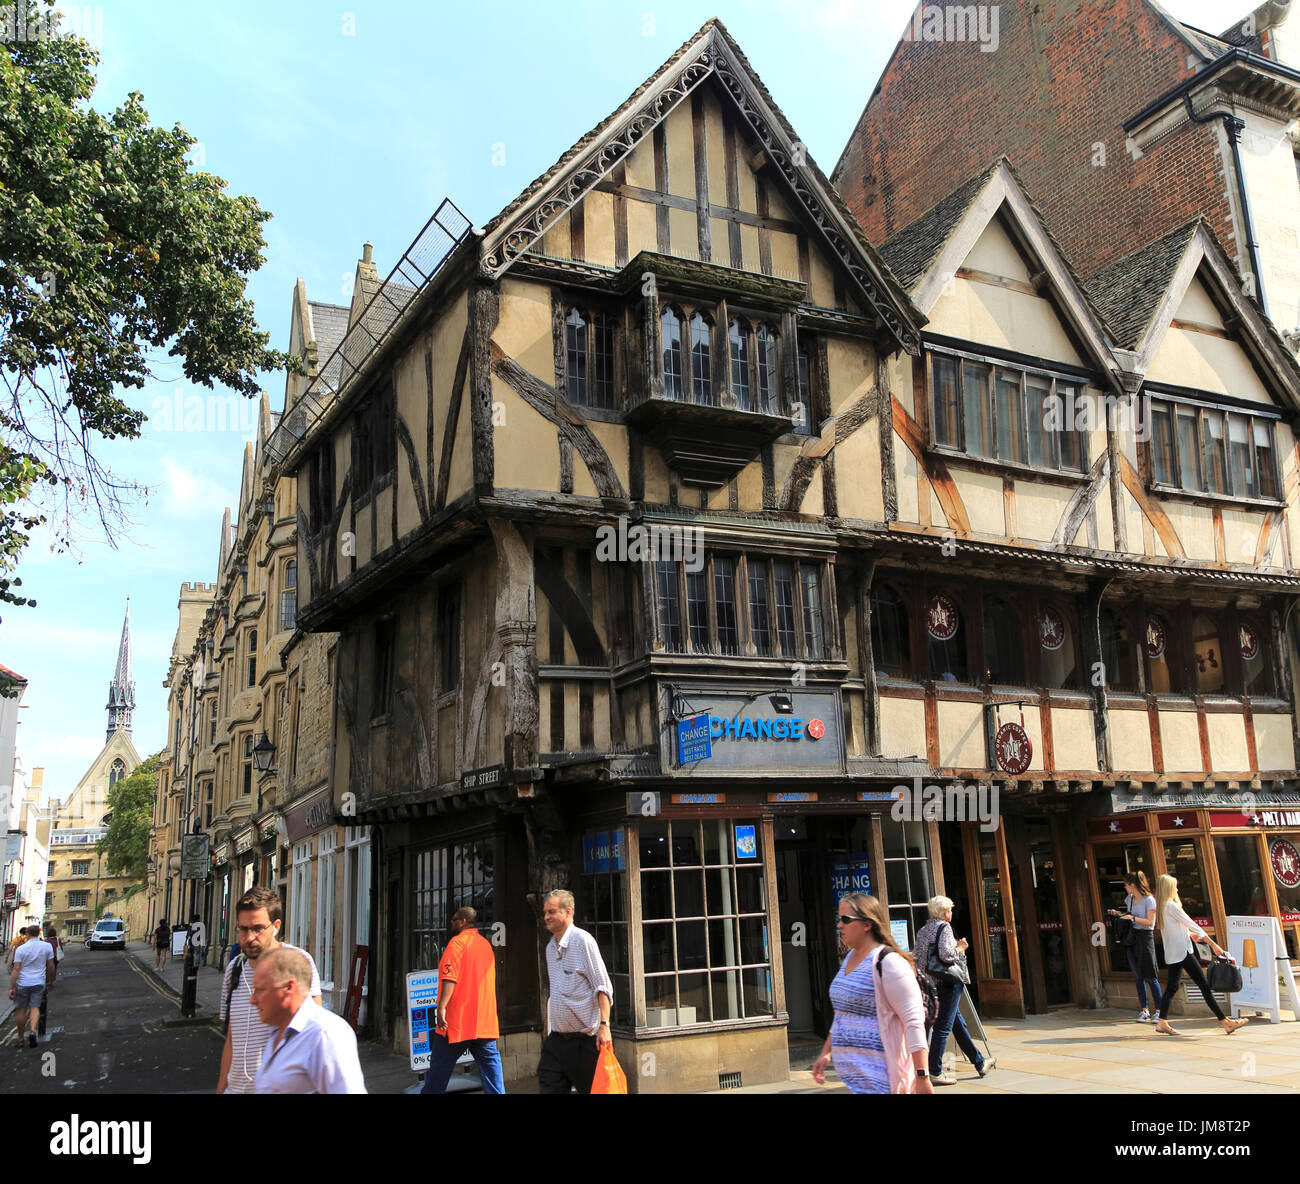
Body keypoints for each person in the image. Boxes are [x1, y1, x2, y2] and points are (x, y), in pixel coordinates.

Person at [812, 893, 933, 1094]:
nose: (839, 925)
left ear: (867, 924)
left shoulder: (889, 963)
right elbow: (843, 1014)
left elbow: (914, 1021)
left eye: (845, 919)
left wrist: (922, 1077)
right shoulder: (851, 956)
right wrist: (826, 1052)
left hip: (885, 1083)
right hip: (856, 1081)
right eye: (839, 919)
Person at [216, 887, 322, 1093]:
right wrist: (221, 1089)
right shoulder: (234, 969)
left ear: (276, 926)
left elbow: (314, 1033)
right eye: (243, 929)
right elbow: (231, 1037)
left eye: (257, 928)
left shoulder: (299, 963)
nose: (249, 937)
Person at [250, 947, 365, 1093]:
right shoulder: (276, 1032)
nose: (252, 1000)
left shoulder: (325, 1034)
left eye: (260, 990)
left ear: (288, 987)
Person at [421, 906, 503, 1094]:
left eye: (454, 919)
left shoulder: (457, 943)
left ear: (463, 921)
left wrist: (441, 1006)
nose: (451, 922)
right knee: (491, 1069)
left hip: (457, 1020)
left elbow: (451, 977)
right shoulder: (485, 945)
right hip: (483, 1021)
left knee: (438, 1072)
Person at [538, 889, 613, 1094]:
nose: (546, 917)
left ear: (568, 912)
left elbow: (602, 986)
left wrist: (605, 1027)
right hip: (557, 1040)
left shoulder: (583, 941)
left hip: (585, 1042)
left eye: (551, 912)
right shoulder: (550, 948)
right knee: (548, 1084)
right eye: (545, 912)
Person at [1153, 873, 1248, 1036]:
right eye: (1174, 886)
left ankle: (1162, 1022)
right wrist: (1213, 945)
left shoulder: (1162, 908)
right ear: (1169, 888)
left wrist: (1189, 935)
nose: (1177, 888)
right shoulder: (1172, 906)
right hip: (1183, 952)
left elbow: (1176, 929)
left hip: (1173, 953)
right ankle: (1226, 1022)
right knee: (1204, 986)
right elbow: (1193, 924)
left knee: (1172, 987)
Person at [915, 895, 992, 1083]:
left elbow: (918, 957)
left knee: (958, 1025)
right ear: (943, 913)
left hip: (932, 983)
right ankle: (934, 1071)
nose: (951, 913)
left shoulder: (923, 930)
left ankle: (979, 1062)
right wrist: (960, 947)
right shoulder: (945, 927)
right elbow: (947, 955)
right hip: (948, 984)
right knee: (943, 1028)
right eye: (949, 910)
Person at [1113, 872, 1162, 1022]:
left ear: (1133, 885)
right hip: (1132, 937)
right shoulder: (1129, 899)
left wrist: (1132, 917)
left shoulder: (1149, 900)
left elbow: (1150, 923)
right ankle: (1144, 1010)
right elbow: (1129, 916)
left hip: (1145, 937)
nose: (1125, 887)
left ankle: (1160, 1011)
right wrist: (1120, 914)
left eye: (1126, 884)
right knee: (1138, 976)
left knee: (1151, 975)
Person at [8, 925, 53, 1048]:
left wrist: (11, 987)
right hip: (38, 982)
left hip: (23, 983)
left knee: (21, 1010)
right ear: (39, 933)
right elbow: (51, 966)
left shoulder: (21, 949)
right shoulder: (47, 946)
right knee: (35, 1007)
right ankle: (33, 1032)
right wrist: (51, 980)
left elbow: (16, 969)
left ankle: (21, 1039)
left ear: (27, 934)